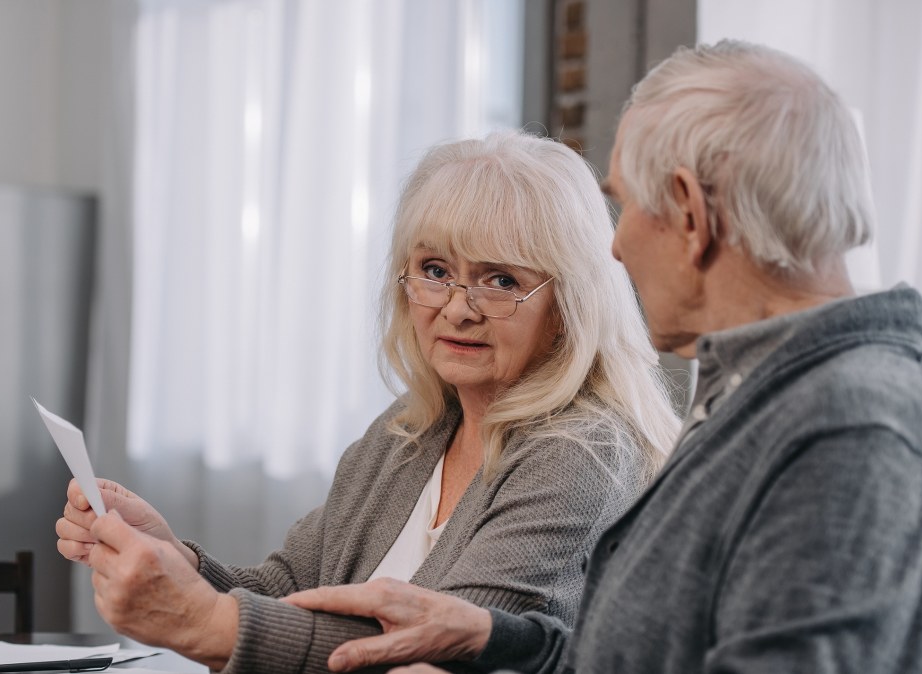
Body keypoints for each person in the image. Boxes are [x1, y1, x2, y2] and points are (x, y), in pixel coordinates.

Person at [283, 40, 922, 674]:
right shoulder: (771, 395)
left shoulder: (852, 426)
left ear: (689, 213)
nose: (616, 249)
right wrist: (493, 638)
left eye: (624, 207)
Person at [55, 131, 681, 672]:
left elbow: (437, 654)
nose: (458, 308)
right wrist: (179, 561)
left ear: (569, 307)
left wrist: (202, 621)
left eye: (501, 280)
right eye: (435, 270)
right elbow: (290, 589)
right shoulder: (411, 430)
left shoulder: (582, 453)